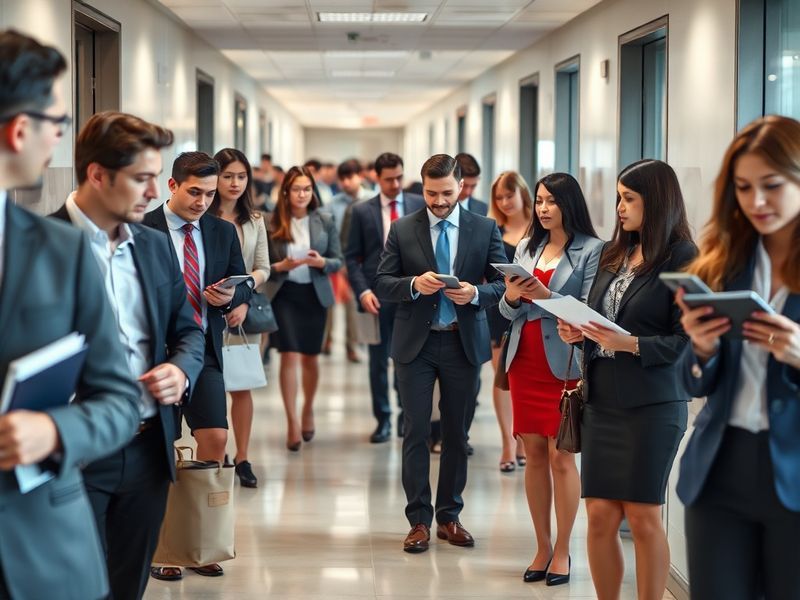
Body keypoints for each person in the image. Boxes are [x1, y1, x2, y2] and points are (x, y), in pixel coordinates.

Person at [0, 30, 141, 600]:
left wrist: (54, 430)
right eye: (58, 122)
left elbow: (119, 401)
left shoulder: (62, 251)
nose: (60, 137)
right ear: (20, 131)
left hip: (44, 554)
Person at [50, 111, 205, 600]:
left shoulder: (154, 247)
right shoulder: (38, 245)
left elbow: (189, 330)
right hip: (74, 452)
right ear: (97, 174)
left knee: (127, 586)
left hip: (146, 448)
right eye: (142, 178)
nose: (154, 191)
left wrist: (180, 369)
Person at [557, 159, 696, 599]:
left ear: (656, 202)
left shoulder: (683, 259)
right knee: (599, 514)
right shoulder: (613, 253)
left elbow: (688, 342)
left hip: (652, 407)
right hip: (601, 402)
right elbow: (602, 319)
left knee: (642, 516)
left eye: (629, 198)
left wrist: (631, 344)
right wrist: (579, 332)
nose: (619, 207)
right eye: (619, 197)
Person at [674, 115, 800, 600]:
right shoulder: (722, 264)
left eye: (772, 185)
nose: (757, 202)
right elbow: (693, 381)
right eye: (744, 188)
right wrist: (702, 348)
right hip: (720, 470)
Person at [374, 154, 506, 553]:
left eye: (446, 192)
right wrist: (414, 284)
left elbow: (504, 284)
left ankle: (450, 516)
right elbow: (383, 282)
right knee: (415, 429)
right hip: (416, 343)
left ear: (461, 186)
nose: (438, 201)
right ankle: (418, 520)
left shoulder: (484, 227)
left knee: (456, 433)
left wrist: (476, 293)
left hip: (462, 342)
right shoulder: (403, 228)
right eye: (431, 193)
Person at [145, 151, 252, 581]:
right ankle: (164, 547)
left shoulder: (221, 231)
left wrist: (231, 298)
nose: (202, 201)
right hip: (154, 354)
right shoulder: (143, 228)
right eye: (194, 192)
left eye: (210, 194)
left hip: (203, 348)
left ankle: (202, 542)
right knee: (161, 447)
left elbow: (243, 284)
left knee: (214, 437)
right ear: (172, 185)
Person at [498, 172, 602, 586]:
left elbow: (591, 309)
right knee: (535, 454)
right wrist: (511, 296)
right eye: (539, 201)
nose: (542, 208)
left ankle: (562, 550)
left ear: (568, 204)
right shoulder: (526, 247)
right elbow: (508, 312)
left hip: (565, 361)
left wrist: (547, 297)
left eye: (551, 201)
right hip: (524, 357)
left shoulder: (592, 250)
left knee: (562, 456)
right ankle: (541, 546)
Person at [346, 152, 425, 443]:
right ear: (377, 178)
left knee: (408, 359)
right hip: (376, 297)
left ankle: (406, 416)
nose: (395, 184)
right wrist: (363, 291)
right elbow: (352, 257)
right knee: (378, 362)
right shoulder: (361, 211)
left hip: (411, 295)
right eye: (389, 179)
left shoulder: (418, 204)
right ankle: (383, 420)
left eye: (399, 177)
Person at [265, 165, 343, 451]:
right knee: (289, 355)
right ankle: (292, 422)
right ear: (286, 192)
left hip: (314, 295)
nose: (302, 194)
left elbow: (338, 260)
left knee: (310, 357)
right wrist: (280, 266)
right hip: (284, 294)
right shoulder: (271, 221)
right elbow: (262, 264)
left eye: (307, 189)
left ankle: (307, 408)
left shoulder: (325, 219)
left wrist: (321, 262)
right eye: (296, 189)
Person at [210, 148, 271, 488]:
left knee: (241, 384)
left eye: (241, 176)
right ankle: (217, 454)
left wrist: (243, 296)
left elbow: (263, 267)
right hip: (207, 310)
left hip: (241, 313)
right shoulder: (203, 213)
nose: (235, 183)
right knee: (212, 386)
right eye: (228, 176)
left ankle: (243, 457)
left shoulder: (255, 219)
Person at [486, 172, 532, 472]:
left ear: (522, 193)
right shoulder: (493, 230)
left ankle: (524, 440)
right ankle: (507, 442)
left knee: (523, 378)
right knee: (502, 377)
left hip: (532, 309)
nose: (504, 202)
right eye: (499, 198)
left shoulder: (540, 229)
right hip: (499, 309)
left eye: (509, 195)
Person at [322, 158, 372, 363]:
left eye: (350, 177)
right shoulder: (333, 204)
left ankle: (352, 346)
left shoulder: (372, 200)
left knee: (353, 305)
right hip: (337, 260)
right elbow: (327, 234)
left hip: (362, 262)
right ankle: (326, 341)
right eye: (342, 179)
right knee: (329, 304)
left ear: (360, 176)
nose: (346, 182)